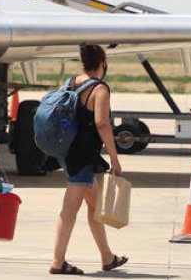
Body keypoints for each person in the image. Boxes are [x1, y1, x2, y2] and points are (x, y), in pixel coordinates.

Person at [49, 43, 128, 275]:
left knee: (95, 207)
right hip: (82, 157)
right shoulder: (99, 89)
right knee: (69, 210)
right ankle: (57, 262)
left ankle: (107, 257)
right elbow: (102, 123)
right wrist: (115, 159)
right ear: (103, 63)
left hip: (69, 152)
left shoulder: (71, 83)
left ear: (83, 63)